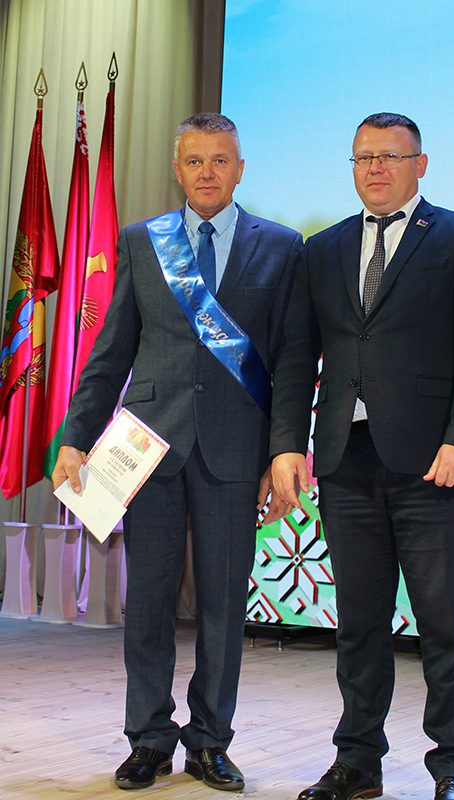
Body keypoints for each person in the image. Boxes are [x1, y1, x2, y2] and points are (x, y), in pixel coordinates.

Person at [52, 112, 301, 792]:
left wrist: (283, 450)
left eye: (220, 160)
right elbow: (111, 351)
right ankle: (149, 740)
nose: (206, 173)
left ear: (240, 169)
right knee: (150, 603)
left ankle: (210, 742)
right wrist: (74, 438)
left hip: (235, 449)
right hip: (149, 447)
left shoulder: (283, 246)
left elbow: (290, 360)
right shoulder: (143, 241)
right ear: (177, 168)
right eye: (194, 161)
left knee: (223, 606)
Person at [270, 113, 454, 800]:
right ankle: (357, 763)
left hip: (433, 465)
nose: (375, 168)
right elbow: (297, 355)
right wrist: (286, 444)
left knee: (443, 623)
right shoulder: (323, 249)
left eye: (389, 156)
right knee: (359, 625)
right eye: (363, 157)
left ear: (420, 165)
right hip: (345, 462)